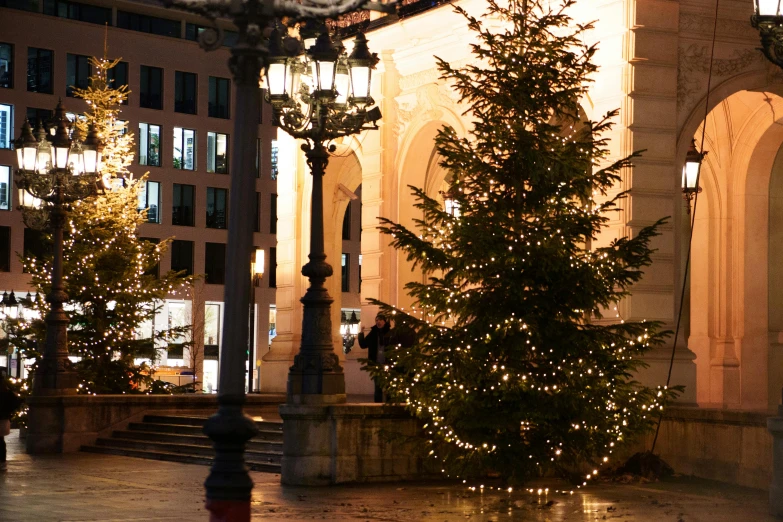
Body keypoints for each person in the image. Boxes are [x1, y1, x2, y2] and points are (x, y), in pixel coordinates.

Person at [357, 314, 391, 403]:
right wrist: (361, 333)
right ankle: (378, 405)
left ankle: (390, 405)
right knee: (378, 386)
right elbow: (363, 345)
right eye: (376, 320)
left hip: (388, 363)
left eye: (380, 320)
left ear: (384, 321)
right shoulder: (373, 333)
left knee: (389, 386)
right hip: (376, 364)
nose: (378, 322)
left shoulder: (390, 333)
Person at [0, 372, 21, 472]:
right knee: (0, 441)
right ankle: (2, 462)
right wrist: (9, 412)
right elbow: (16, 401)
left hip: (2, 418)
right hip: (3, 418)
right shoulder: (5, 389)